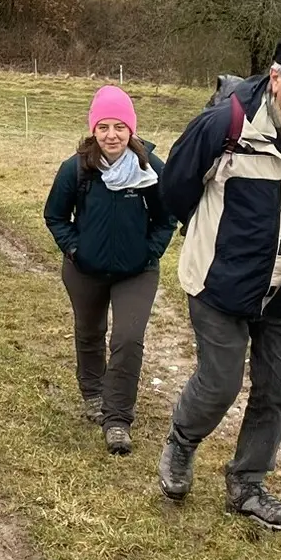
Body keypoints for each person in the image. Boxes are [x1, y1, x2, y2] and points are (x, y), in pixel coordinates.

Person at [156, 31, 281, 530]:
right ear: (276, 77)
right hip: (219, 282)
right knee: (220, 383)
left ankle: (247, 484)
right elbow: (175, 190)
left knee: (278, 391)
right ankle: (182, 442)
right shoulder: (225, 125)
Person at [43, 86, 177, 456]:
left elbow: (167, 217)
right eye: (103, 127)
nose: (111, 135)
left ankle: (117, 418)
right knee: (90, 332)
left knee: (128, 339)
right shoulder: (75, 169)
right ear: (93, 129)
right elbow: (55, 215)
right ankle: (93, 394)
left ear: (131, 129)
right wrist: (75, 249)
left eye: (119, 126)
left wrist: (149, 251)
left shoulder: (151, 169)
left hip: (137, 271)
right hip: (84, 269)